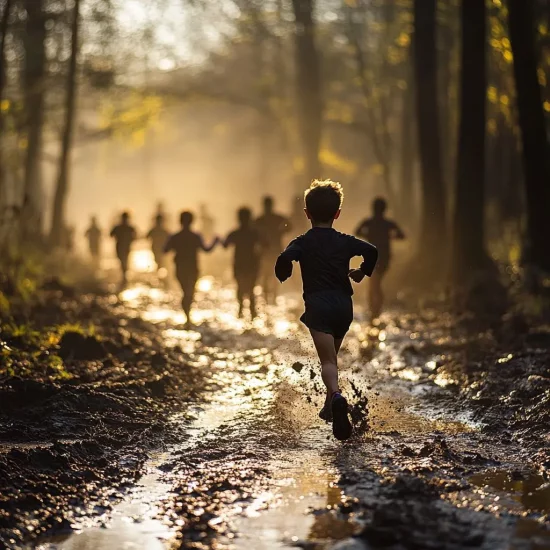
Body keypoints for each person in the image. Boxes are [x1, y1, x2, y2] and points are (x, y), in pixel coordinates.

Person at [275, 180, 378, 441]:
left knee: (328, 362)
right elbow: (372, 251)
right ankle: (329, 404)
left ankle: (335, 396)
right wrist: (362, 272)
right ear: (338, 213)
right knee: (332, 359)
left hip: (319, 306)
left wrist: (284, 269)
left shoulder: (303, 241)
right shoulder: (344, 241)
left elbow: (285, 257)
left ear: (307, 213)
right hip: (344, 307)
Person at [355, 197, 405, 319]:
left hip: (372, 256)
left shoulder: (369, 222)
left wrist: (367, 235)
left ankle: (375, 309)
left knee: (374, 282)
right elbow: (401, 235)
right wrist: (391, 236)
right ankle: (376, 309)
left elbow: (357, 232)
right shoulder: (388, 224)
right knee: (376, 282)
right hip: (383, 257)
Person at [164, 211, 218, 325]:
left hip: (180, 268)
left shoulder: (175, 237)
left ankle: (187, 317)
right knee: (189, 292)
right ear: (192, 221)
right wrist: (215, 241)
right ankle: (188, 318)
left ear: (180, 221)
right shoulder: (195, 236)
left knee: (186, 292)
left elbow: (165, 250)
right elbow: (206, 250)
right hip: (193, 269)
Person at [223, 207, 261, 319]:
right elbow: (266, 244)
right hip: (252, 263)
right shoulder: (254, 233)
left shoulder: (235, 233)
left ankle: (241, 310)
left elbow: (225, 245)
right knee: (251, 288)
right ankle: (252, 312)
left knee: (240, 287)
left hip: (239, 263)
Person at [256, 196, 291, 304]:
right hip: (269, 251)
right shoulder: (270, 219)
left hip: (271, 251)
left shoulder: (262, 219)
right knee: (269, 274)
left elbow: (289, 226)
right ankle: (269, 296)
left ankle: (271, 296)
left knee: (269, 274)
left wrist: (282, 231)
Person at [110, 212, 137, 286]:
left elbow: (135, 237)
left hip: (124, 247)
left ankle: (124, 276)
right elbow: (111, 234)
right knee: (123, 261)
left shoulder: (128, 227)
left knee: (124, 261)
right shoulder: (122, 227)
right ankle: (124, 275)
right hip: (121, 247)